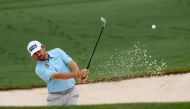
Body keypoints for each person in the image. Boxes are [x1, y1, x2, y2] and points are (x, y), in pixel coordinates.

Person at [27, 40, 88, 105]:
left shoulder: (57, 52)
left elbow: (72, 64)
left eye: (38, 51)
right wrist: (77, 74)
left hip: (72, 92)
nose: (38, 55)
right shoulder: (39, 69)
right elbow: (58, 76)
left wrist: (79, 77)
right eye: (35, 54)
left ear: (43, 47)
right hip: (55, 97)